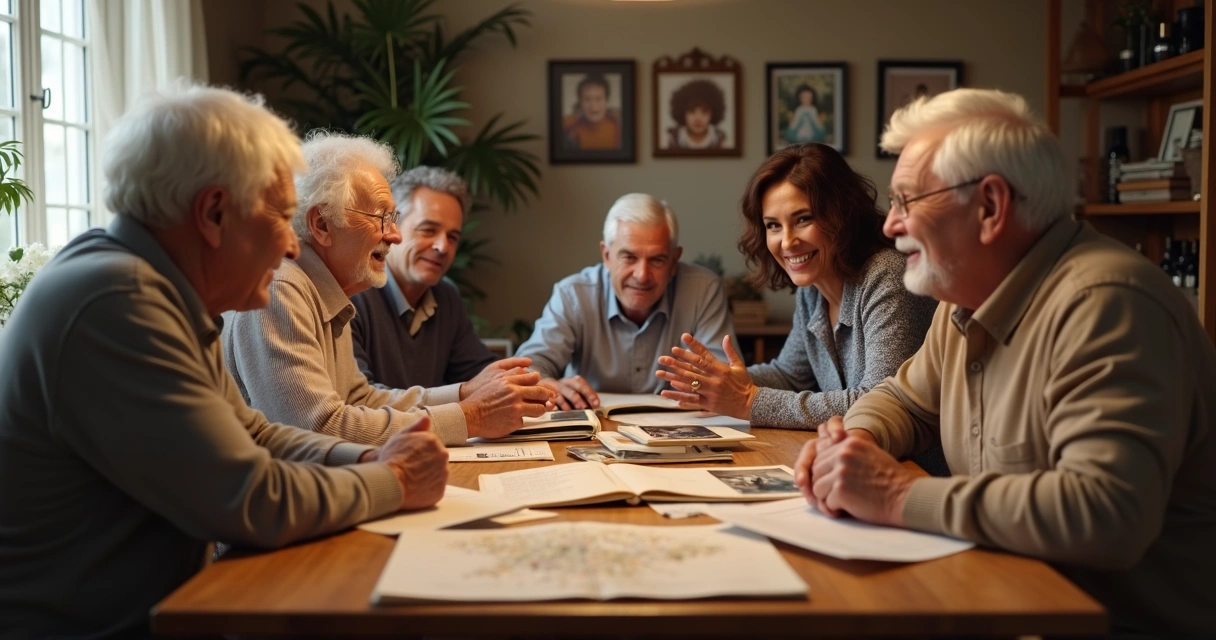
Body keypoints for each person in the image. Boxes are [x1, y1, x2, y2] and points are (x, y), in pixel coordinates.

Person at [0, 85, 450, 639]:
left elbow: (256, 433)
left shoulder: (154, 285)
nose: (291, 247)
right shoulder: (120, 301)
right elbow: (249, 500)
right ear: (213, 213)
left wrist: (371, 455)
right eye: (284, 218)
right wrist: (393, 480)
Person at [795, 88, 1216, 636]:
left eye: (907, 201)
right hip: (1001, 598)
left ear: (990, 207)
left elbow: (1105, 514)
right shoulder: (964, 299)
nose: (889, 225)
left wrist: (895, 495)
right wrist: (853, 444)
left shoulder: (1107, 302)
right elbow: (903, 398)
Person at [222, 132, 552, 447]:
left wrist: (464, 393)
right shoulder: (281, 288)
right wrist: (472, 417)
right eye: (381, 218)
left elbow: (360, 398)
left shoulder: (327, 291)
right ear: (322, 224)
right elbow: (316, 429)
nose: (394, 235)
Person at [656, 143, 944, 475]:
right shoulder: (813, 288)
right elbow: (790, 375)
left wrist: (749, 401)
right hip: (856, 468)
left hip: (913, 474)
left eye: (803, 219)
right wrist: (716, 384)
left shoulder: (888, 277)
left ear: (841, 215)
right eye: (773, 225)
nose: (787, 241)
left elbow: (878, 402)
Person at [515, 193, 734, 410]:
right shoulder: (573, 294)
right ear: (607, 256)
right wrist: (543, 382)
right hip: (590, 432)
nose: (641, 274)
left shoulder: (703, 290)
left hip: (682, 431)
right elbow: (529, 364)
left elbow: (724, 379)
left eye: (657, 260)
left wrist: (702, 385)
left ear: (674, 261)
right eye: (629, 257)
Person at [350, 166, 497, 390]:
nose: (442, 247)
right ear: (392, 227)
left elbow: (481, 372)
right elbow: (359, 400)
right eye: (428, 230)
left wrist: (540, 383)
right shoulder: (352, 294)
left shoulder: (446, 296)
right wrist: (462, 399)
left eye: (453, 237)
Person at [561, 73, 621, 150]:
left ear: (607, 100)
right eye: (587, 99)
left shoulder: (618, 127)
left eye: (598, 99)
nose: (593, 105)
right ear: (580, 102)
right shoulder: (569, 126)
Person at [666, 78, 728, 150]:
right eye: (691, 111)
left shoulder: (722, 140)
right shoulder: (670, 139)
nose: (698, 118)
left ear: (713, 113)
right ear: (682, 113)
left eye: (704, 112)